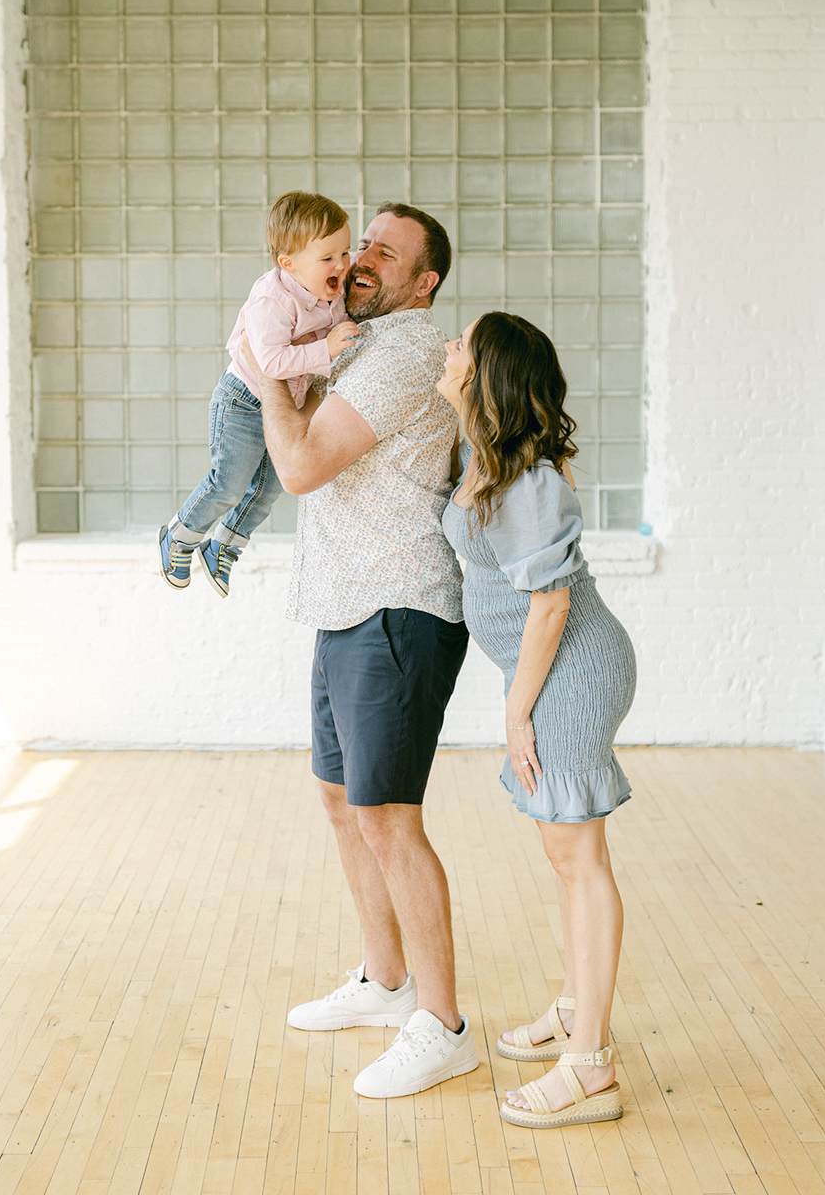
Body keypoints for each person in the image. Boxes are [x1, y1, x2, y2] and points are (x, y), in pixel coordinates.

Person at [246, 202, 479, 1100]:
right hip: (343, 606)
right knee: (343, 803)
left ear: (423, 283)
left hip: (398, 607)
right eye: (363, 244)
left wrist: (267, 374)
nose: (363, 259)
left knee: (388, 817)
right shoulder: (356, 344)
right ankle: (388, 984)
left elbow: (301, 465)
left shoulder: (410, 350)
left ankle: (444, 1024)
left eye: (387, 251)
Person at [436, 312, 637, 1130]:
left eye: (462, 347)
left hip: (572, 673)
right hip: (550, 675)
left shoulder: (531, 482)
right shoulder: (491, 460)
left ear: (488, 375)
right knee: (566, 856)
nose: (449, 350)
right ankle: (575, 1007)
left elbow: (550, 604)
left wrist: (516, 711)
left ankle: (588, 1066)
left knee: (577, 856)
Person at [159, 191, 357, 597]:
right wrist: (328, 348)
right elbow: (269, 363)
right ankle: (179, 534)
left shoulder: (330, 293)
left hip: (284, 405)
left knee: (270, 487)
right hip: (242, 401)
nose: (342, 265)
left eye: (346, 252)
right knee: (230, 483)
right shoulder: (272, 298)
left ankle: (225, 547)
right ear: (289, 264)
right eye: (328, 258)